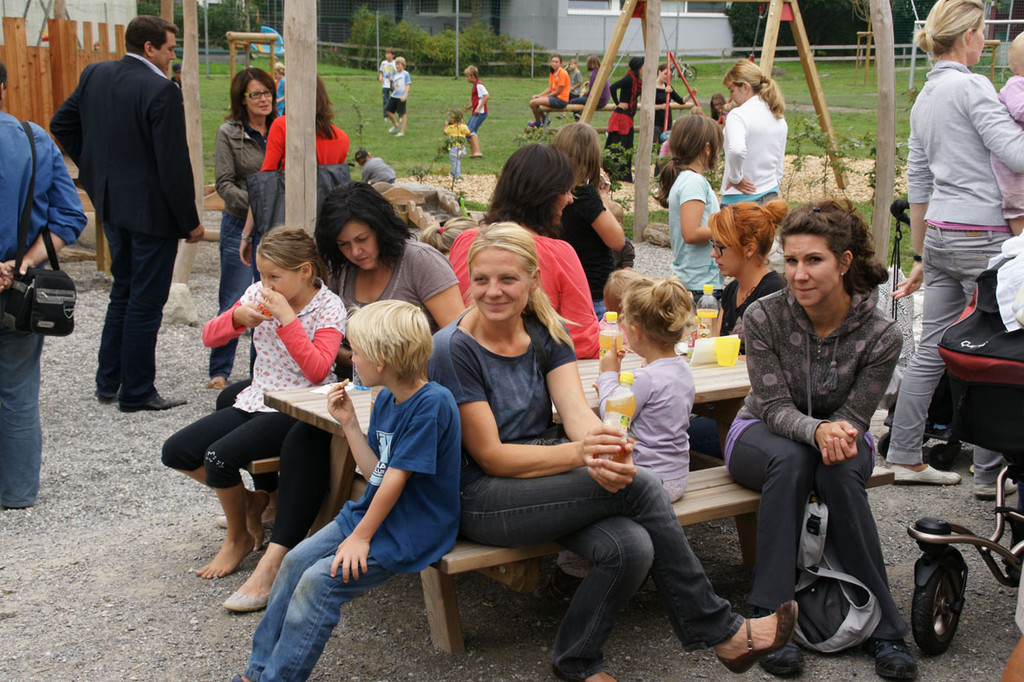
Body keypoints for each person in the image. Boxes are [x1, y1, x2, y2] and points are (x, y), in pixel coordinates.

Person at [429, 222, 798, 681]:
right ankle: (721, 631)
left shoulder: (546, 333)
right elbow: (492, 456)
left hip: (544, 478)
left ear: (532, 280)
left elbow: (577, 415)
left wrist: (605, 449)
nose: (493, 291)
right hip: (482, 497)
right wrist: (583, 455)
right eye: (481, 279)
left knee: (631, 546)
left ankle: (576, 660)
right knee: (643, 485)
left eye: (507, 278)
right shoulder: (453, 349)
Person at [219, 184, 463, 612]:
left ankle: (278, 555)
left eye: (362, 240)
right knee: (233, 398)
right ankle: (270, 501)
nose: (355, 252)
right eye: (344, 244)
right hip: (361, 380)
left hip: (407, 390)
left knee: (304, 435)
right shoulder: (341, 266)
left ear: (382, 228)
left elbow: (455, 340)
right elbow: (332, 341)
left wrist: (376, 364)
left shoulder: (418, 261)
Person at [725, 200, 916, 680]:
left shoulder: (881, 333)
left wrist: (834, 433)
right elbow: (771, 406)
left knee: (838, 471)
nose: (799, 274)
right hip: (762, 433)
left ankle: (885, 627)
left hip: (843, 436)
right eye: (791, 260)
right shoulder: (765, 315)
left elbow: (857, 415)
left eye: (814, 260)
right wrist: (816, 430)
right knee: (792, 459)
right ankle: (770, 616)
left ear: (844, 261)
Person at [234, 300, 461, 682]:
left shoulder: (431, 404)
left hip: (413, 527)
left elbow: (396, 481)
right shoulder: (386, 397)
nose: (350, 359)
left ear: (382, 360)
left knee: (319, 581)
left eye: (355, 351)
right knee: (294, 561)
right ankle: (257, 672)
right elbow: (377, 474)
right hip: (376, 514)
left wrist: (360, 537)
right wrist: (350, 425)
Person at [891, 0, 1024, 494]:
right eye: (983, 32)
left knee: (932, 347)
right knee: (998, 348)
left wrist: (920, 254)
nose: (986, 41)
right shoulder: (972, 86)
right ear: (968, 35)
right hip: (984, 233)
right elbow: (1015, 154)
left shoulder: (926, 95)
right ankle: (989, 474)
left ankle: (904, 454)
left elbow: (918, 179)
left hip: (941, 233)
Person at [162, 227, 345, 580]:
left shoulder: (328, 307)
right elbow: (209, 337)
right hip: (257, 396)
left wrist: (288, 320)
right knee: (176, 452)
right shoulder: (257, 294)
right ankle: (249, 502)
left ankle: (238, 539)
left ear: (305, 271)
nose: (266, 284)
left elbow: (318, 369)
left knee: (219, 458)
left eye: (274, 276)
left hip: (301, 405)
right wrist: (235, 319)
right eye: (262, 275)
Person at [50, 15, 205, 412]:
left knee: (123, 290)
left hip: (111, 205)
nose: (172, 57)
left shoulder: (95, 74)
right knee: (146, 300)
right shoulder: (162, 90)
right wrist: (189, 221)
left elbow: (61, 123)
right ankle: (137, 390)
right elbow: (173, 163)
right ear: (150, 48)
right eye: (169, 49)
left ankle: (108, 381)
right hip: (152, 214)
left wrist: (93, 168)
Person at [0, 59, 87, 509]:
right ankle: (16, 492)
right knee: (17, 392)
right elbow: (70, 216)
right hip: (17, 288)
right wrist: (21, 263)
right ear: (3, 89)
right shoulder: (34, 139)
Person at [446, 144, 601, 358]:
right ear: (545, 196)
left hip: (466, 360)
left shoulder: (466, 241)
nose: (570, 199)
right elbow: (582, 340)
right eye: (565, 191)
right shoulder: (557, 254)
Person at [208, 67, 278, 391]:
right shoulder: (229, 133)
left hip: (274, 225)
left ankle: (257, 372)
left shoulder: (281, 127)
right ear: (242, 99)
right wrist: (255, 204)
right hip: (239, 222)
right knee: (234, 298)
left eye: (268, 92)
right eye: (256, 94)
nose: (264, 99)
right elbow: (224, 183)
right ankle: (219, 369)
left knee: (268, 298)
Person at [599, 276, 696, 502]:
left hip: (648, 482)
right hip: (678, 477)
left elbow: (610, 417)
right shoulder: (683, 370)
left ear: (636, 332)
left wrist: (608, 375)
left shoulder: (645, 378)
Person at [239, 75, 350, 258]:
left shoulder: (282, 126)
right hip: (323, 229)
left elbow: (264, 184)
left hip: (284, 229)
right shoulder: (341, 138)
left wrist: (246, 235)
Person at [551, 123, 626, 318]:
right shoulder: (585, 196)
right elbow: (617, 241)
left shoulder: (552, 193)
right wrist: (602, 197)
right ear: (592, 158)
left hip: (564, 286)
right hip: (592, 292)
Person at [655, 115, 725, 299]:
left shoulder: (687, 179)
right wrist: (727, 227)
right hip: (700, 284)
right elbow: (691, 233)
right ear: (707, 148)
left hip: (698, 281)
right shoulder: (694, 182)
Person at [709, 200, 787, 343]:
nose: (713, 254)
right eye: (713, 245)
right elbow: (718, 344)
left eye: (720, 247)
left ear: (749, 249)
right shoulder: (731, 290)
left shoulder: (775, 294)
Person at [720, 60, 787, 206]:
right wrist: (774, 185)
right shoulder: (777, 116)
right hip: (770, 195)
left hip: (738, 199)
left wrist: (735, 178)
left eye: (732, 90)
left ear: (745, 87)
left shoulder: (738, 115)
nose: (731, 97)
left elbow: (737, 150)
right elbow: (779, 164)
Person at [992, 33, 1024, 238]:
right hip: (1012, 164)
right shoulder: (1016, 85)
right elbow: (1019, 110)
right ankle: (1019, 245)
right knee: (1018, 204)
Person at [606, 56, 644, 180]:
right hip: (621, 117)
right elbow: (613, 87)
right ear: (639, 67)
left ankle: (625, 175)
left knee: (628, 146)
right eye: (644, 66)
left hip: (628, 117)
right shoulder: (629, 78)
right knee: (618, 146)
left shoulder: (638, 81)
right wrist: (618, 103)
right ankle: (615, 173)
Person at [528, 54, 570, 128]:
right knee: (533, 102)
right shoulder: (552, 72)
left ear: (561, 63)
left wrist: (544, 97)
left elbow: (558, 91)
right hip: (555, 98)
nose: (554, 63)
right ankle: (545, 119)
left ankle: (538, 123)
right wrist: (539, 95)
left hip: (561, 100)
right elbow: (549, 89)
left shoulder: (562, 73)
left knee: (533, 103)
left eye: (556, 62)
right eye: (553, 61)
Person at [653, 63, 685, 141]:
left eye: (669, 75)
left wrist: (691, 94)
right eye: (665, 73)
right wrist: (661, 106)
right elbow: (648, 105)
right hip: (655, 122)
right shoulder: (652, 87)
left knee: (666, 145)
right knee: (654, 144)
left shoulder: (668, 87)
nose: (667, 76)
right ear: (659, 72)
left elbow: (681, 101)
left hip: (667, 122)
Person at [463, 65, 488, 157]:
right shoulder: (475, 86)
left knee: (471, 130)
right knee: (467, 130)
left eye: (467, 76)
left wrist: (479, 108)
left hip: (480, 112)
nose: (466, 78)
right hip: (477, 112)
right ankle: (474, 152)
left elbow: (486, 96)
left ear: (472, 76)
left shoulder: (479, 85)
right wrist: (469, 107)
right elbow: (477, 100)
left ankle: (477, 152)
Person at [386, 56, 411, 137]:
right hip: (394, 96)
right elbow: (392, 88)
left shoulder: (406, 74)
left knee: (402, 114)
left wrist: (404, 95)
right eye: (396, 64)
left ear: (403, 65)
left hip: (401, 97)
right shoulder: (395, 74)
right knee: (388, 110)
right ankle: (396, 125)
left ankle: (402, 132)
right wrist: (391, 82)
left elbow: (408, 85)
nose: (397, 66)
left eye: (399, 64)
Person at [443, 109, 471, 181]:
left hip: (454, 149)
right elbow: (469, 134)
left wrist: (446, 126)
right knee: (457, 162)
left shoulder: (451, 127)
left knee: (455, 162)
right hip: (462, 148)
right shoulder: (464, 127)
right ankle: (454, 172)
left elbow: (445, 132)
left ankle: (458, 177)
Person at [377, 48, 396, 121]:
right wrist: (380, 77)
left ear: (393, 55)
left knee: (396, 100)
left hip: (394, 85)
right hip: (385, 85)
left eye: (389, 54)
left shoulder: (395, 63)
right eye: (386, 54)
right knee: (385, 100)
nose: (387, 55)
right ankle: (385, 116)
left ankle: (399, 115)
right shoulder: (383, 63)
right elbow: (381, 72)